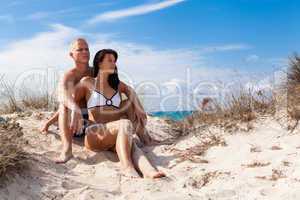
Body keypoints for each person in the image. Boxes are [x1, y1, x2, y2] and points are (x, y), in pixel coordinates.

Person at [43, 38, 154, 164]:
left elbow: (126, 89)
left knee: (125, 103)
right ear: (71, 55)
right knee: (64, 105)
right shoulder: (70, 75)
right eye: (80, 49)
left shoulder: (95, 72)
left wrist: (138, 107)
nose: (85, 52)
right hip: (76, 122)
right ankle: (67, 150)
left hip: (93, 117)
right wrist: (51, 121)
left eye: (87, 49)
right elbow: (63, 96)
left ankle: (145, 137)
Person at [70, 49, 165, 178]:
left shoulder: (116, 85)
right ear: (99, 63)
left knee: (133, 147)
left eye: (114, 61)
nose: (113, 64)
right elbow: (68, 100)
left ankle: (149, 171)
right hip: (95, 133)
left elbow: (130, 90)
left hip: (116, 134)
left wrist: (137, 106)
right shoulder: (87, 82)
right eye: (110, 60)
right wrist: (51, 122)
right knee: (124, 124)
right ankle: (127, 167)